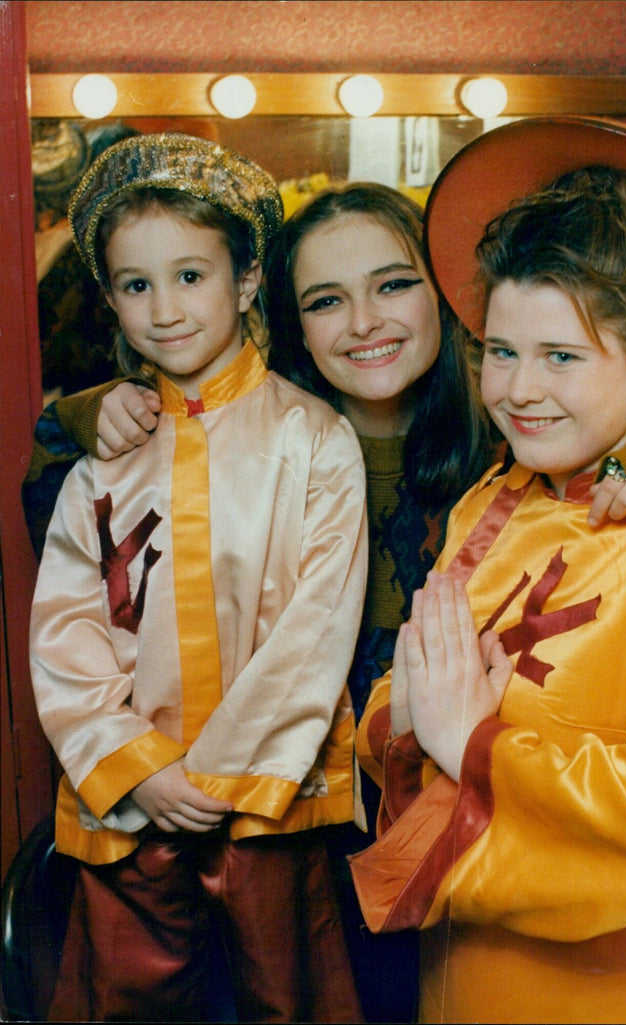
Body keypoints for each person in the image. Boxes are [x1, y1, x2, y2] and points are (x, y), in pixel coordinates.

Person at [24, 177, 626, 1024]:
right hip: (287, 831)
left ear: (445, 296)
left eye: (393, 284)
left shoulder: (509, 454)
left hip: (472, 871)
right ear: (287, 315)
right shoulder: (462, 479)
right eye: (325, 299)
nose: (365, 321)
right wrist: (94, 412)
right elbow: (83, 553)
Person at [349, 119, 626, 1024]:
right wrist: (416, 723)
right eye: (501, 352)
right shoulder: (492, 501)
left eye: (561, 356)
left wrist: (474, 740)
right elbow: (403, 698)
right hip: (465, 972)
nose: (518, 390)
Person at [27, 132, 368, 1023]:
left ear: (248, 281)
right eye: (137, 285)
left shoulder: (315, 440)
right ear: (109, 297)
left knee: (281, 1000)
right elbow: (65, 634)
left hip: (268, 812)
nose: (166, 308)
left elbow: (314, 631)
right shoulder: (98, 469)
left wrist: (215, 779)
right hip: (130, 815)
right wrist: (136, 769)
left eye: (191, 275)